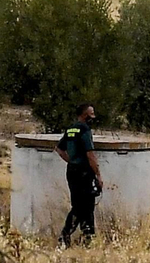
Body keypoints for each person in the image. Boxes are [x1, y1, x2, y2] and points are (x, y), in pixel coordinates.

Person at [54, 102, 105, 246]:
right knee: (86, 205)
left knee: (78, 204)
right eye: (91, 114)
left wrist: (71, 161)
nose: (93, 117)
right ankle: (74, 237)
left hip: (72, 171)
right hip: (84, 172)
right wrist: (98, 175)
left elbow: (58, 149)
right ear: (85, 115)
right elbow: (91, 155)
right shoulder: (84, 130)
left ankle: (84, 237)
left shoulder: (70, 129)